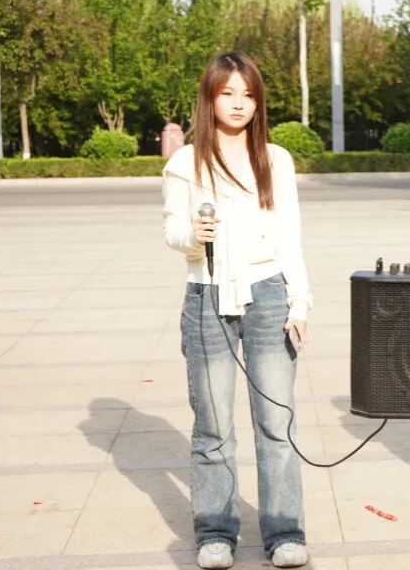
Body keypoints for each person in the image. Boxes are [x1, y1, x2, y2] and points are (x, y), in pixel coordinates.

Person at [162, 51, 312, 569]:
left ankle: (285, 532)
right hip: (207, 296)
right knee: (213, 427)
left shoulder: (276, 159)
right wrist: (192, 234)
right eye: (227, 93)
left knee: (276, 422)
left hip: (269, 296)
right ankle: (215, 533)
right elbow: (172, 230)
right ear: (210, 98)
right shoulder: (186, 162)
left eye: (248, 94)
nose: (238, 103)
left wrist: (300, 302)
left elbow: (290, 236)